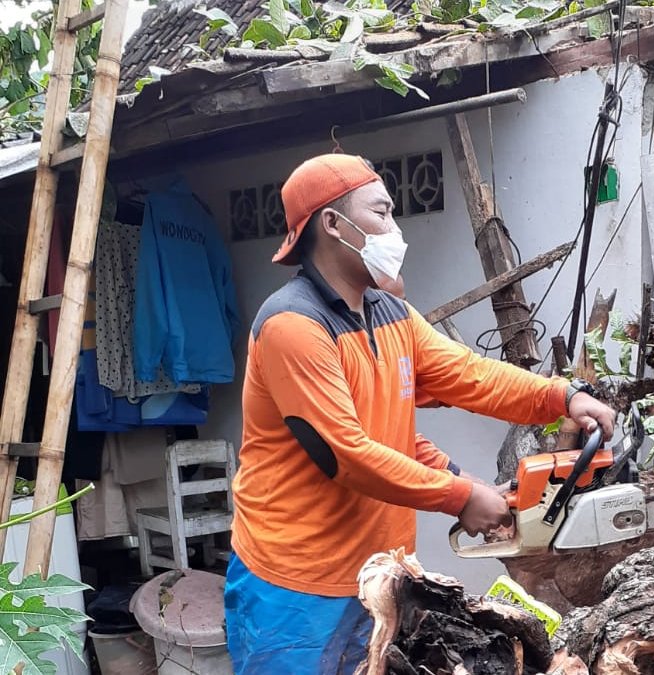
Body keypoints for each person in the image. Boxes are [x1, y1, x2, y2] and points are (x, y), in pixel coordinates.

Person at [223, 153, 615, 674]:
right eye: (381, 214)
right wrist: (459, 496)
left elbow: (470, 376)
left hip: (383, 576)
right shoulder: (292, 326)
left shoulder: (391, 314)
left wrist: (561, 398)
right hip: (297, 587)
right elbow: (348, 455)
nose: (394, 230)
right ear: (332, 224)